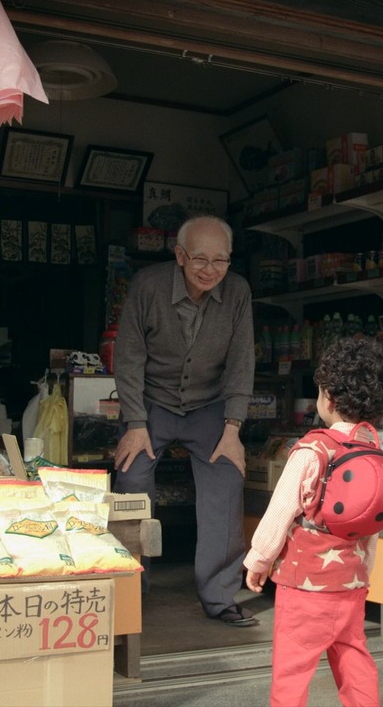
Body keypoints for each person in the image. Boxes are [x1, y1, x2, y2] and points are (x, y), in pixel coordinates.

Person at [113, 215, 257, 626]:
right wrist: (136, 422)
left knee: (227, 481)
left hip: (210, 406)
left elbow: (241, 362)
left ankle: (220, 596)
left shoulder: (238, 293)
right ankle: (130, 592)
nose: (210, 270)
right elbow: (128, 357)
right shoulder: (148, 286)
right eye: (200, 259)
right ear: (179, 255)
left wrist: (233, 429)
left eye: (221, 260)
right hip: (150, 404)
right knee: (131, 482)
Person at [244, 337, 383, 706]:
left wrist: (258, 560)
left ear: (327, 398)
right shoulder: (375, 454)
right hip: (352, 584)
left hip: (304, 587)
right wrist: (365, 571)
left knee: (292, 668)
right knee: (353, 657)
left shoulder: (312, 450)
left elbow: (280, 512)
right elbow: (371, 527)